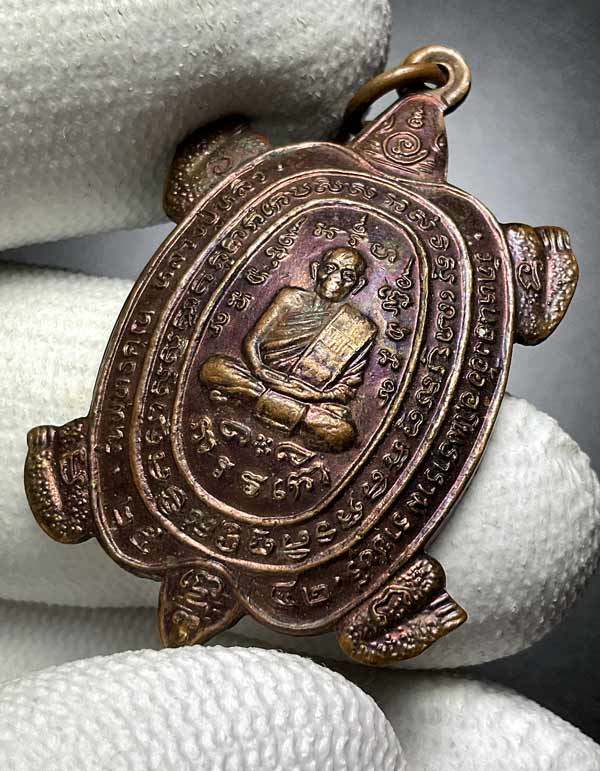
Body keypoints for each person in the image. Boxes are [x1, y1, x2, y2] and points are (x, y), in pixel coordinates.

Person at [199, 246, 377, 452]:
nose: (336, 279)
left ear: (357, 285)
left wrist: (314, 396)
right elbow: (252, 342)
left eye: (347, 276)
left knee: (342, 434)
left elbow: (347, 387)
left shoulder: (361, 327)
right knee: (213, 368)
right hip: (261, 379)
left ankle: (252, 400)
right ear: (315, 270)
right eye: (330, 269)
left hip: (307, 398)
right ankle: (290, 415)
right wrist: (259, 370)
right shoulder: (290, 297)